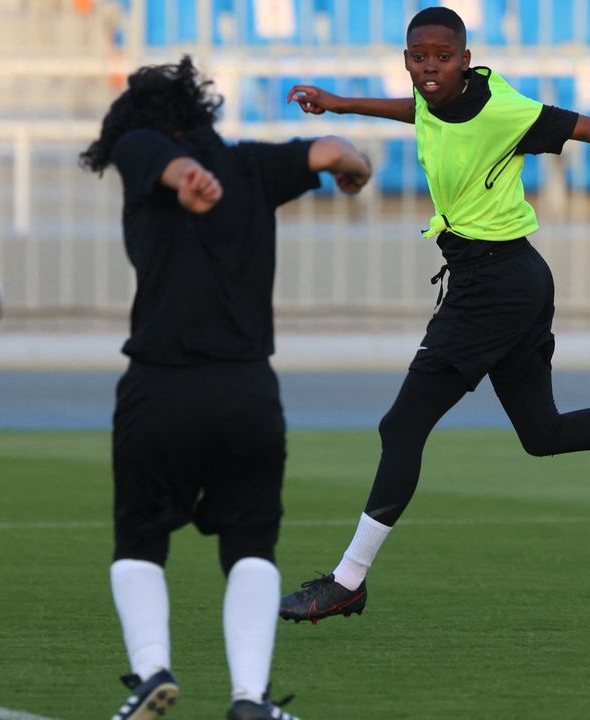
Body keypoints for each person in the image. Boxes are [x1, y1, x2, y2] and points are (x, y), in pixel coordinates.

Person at [276, 6, 590, 624]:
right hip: (509, 282)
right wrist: (340, 105)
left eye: (442, 56)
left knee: (401, 427)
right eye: (418, 56)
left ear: (466, 60)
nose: (429, 67)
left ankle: (348, 581)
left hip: (495, 287)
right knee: (543, 435)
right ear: (406, 59)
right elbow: (417, 110)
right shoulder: (434, 97)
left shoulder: (503, 109)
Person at [80, 56, 373, 720]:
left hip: (160, 390)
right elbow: (332, 149)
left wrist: (185, 182)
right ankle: (249, 700)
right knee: (250, 545)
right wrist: (352, 169)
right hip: (247, 395)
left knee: (140, 542)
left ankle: (152, 671)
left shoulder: (137, 148)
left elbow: (157, 158)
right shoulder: (251, 166)